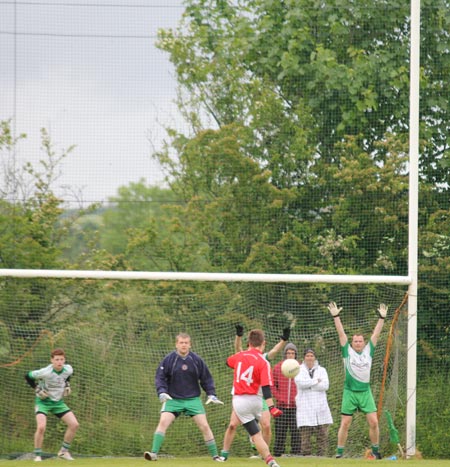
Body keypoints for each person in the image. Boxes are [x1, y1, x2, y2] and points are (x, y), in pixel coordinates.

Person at [144, 332, 224, 462]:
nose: (184, 345)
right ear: (176, 344)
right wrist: (162, 392)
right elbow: (160, 377)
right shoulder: (169, 359)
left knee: (204, 426)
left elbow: (206, 378)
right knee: (163, 422)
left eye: (186, 343)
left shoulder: (196, 360)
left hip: (193, 400)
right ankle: (153, 453)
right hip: (173, 399)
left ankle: (216, 456)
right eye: (181, 342)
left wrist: (211, 394)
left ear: (190, 345)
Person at [220, 324, 290, 460]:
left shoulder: (263, 359)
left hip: (260, 397)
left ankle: (264, 455)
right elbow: (238, 350)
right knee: (233, 425)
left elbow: (274, 352)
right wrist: (238, 337)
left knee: (267, 425)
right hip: (242, 396)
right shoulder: (243, 356)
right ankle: (224, 455)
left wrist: (284, 340)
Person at [328, 301, 388, 459]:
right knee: (345, 423)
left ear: (364, 342)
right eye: (355, 341)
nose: (358, 343)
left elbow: (375, 335)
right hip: (350, 392)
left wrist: (382, 318)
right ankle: (339, 453)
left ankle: (375, 452)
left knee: (374, 422)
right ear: (352, 343)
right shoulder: (347, 351)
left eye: (360, 341)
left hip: (365, 392)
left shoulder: (369, 350)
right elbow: (341, 334)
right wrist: (336, 316)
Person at [25, 348, 79, 462]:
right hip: (43, 402)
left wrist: (67, 384)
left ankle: (63, 452)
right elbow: (27, 376)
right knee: (41, 427)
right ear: (52, 360)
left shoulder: (68, 369)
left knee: (74, 424)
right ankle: (38, 455)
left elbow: (67, 376)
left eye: (62, 359)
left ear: (64, 360)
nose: (59, 362)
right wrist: (36, 389)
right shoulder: (45, 372)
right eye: (57, 359)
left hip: (58, 403)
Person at [294, 348, 333, 457]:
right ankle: (306, 457)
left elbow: (325, 386)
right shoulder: (298, 369)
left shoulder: (322, 370)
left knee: (322, 435)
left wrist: (309, 386)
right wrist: (316, 381)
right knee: (305, 437)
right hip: (305, 407)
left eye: (311, 355)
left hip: (320, 407)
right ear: (304, 357)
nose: (309, 358)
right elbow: (300, 383)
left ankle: (322, 456)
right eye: (307, 356)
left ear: (315, 357)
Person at [272, 343, 302, 457]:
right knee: (280, 431)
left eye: (292, 353)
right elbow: (272, 385)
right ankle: (278, 453)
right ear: (284, 354)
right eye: (288, 353)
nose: (290, 355)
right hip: (281, 406)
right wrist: (280, 397)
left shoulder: (300, 367)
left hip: (296, 406)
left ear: (296, 354)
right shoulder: (278, 367)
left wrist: (298, 398)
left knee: (296, 431)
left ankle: (296, 453)